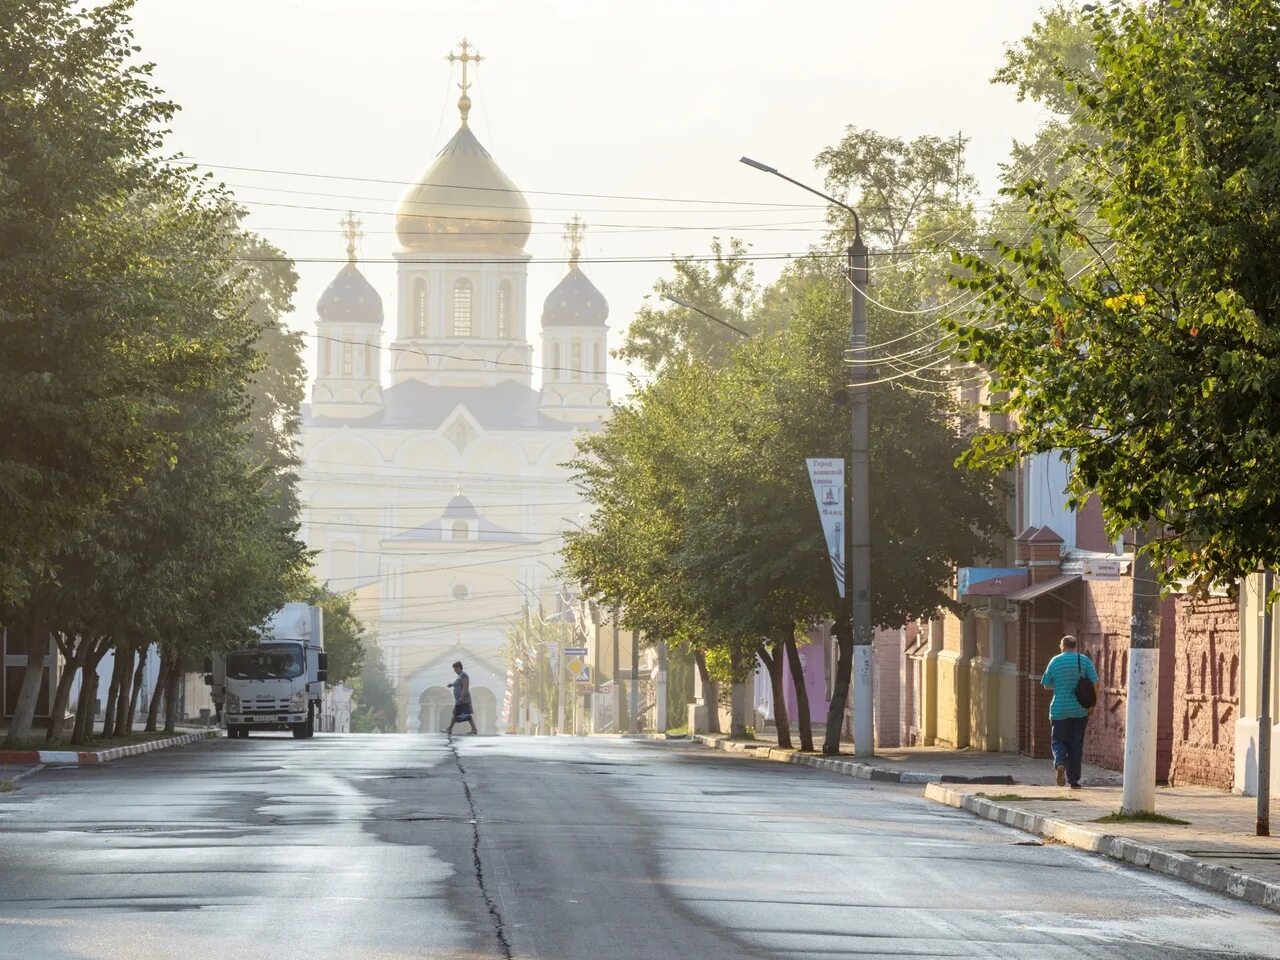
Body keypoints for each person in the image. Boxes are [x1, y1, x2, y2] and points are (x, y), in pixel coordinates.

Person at [1040, 635, 1099, 789]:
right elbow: (1095, 683)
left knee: (1058, 740)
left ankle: (1060, 762)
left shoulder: (1055, 661)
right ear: (1074, 645)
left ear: (1063, 645)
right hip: (1080, 710)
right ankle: (1073, 780)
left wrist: (1059, 684)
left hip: (1059, 709)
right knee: (1076, 744)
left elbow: (1046, 684)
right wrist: (1093, 704)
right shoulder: (1084, 661)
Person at [444, 660, 478, 736]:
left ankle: (449, 729)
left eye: (455, 669)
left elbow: (465, 687)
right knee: (466, 714)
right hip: (460, 698)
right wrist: (452, 685)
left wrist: (462, 698)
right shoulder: (460, 676)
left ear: (459, 667)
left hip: (463, 698)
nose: (454, 671)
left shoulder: (464, 675)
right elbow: (459, 684)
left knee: (455, 713)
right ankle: (474, 729)